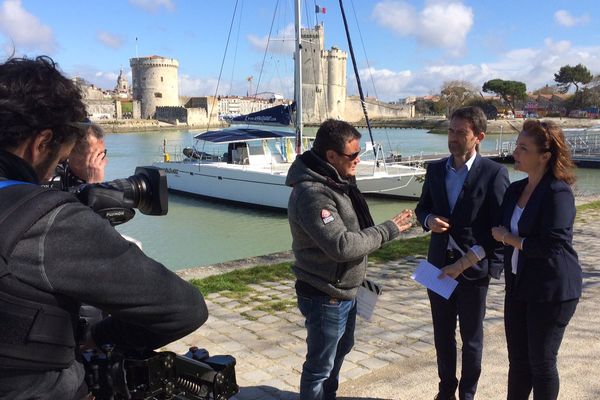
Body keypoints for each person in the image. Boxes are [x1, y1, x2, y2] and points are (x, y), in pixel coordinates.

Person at [0, 56, 208, 399]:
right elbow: (184, 308)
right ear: (40, 144)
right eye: (60, 159)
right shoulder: (47, 222)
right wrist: (96, 337)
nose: (58, 170)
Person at [285, 118, 414, 400]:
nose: (358, 159)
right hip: (325, 294)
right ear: (331, 156)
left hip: (345, 290)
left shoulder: (337, 180)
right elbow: (342, 245)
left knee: (340, 352)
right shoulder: (313, 194)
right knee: (320, 367)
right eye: (353, 155)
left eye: (359, 153)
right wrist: (388, 229)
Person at [415, 106, 509, 400]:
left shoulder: (495, 173)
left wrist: (474, 261)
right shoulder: (434, 169)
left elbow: (501, 228)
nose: (453, 137)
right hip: (438, 268)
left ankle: (467, 394)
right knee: (442, 336)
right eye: (450, 130)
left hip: (473, 271)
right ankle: (446, 391)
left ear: (479, 137)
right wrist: (428, 220)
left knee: (471, 340)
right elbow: (423, 208)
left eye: (461, 132)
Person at [491, 120, 582, 400]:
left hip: (551, 290)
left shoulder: (558, 192)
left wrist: (509, 239)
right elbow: (495, 227)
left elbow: (553, 245)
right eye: (517, 146)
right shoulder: (515, 190)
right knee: (518, 363)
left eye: (523, 148)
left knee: (541, 363)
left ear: (545, 156)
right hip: (518, 287)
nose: (515, 152)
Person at [52, 121, 108, 189]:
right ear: (71, 153)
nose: (104, 162)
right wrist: (93, 184)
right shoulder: (50, 177)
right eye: (97, 155)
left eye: (103, 154)